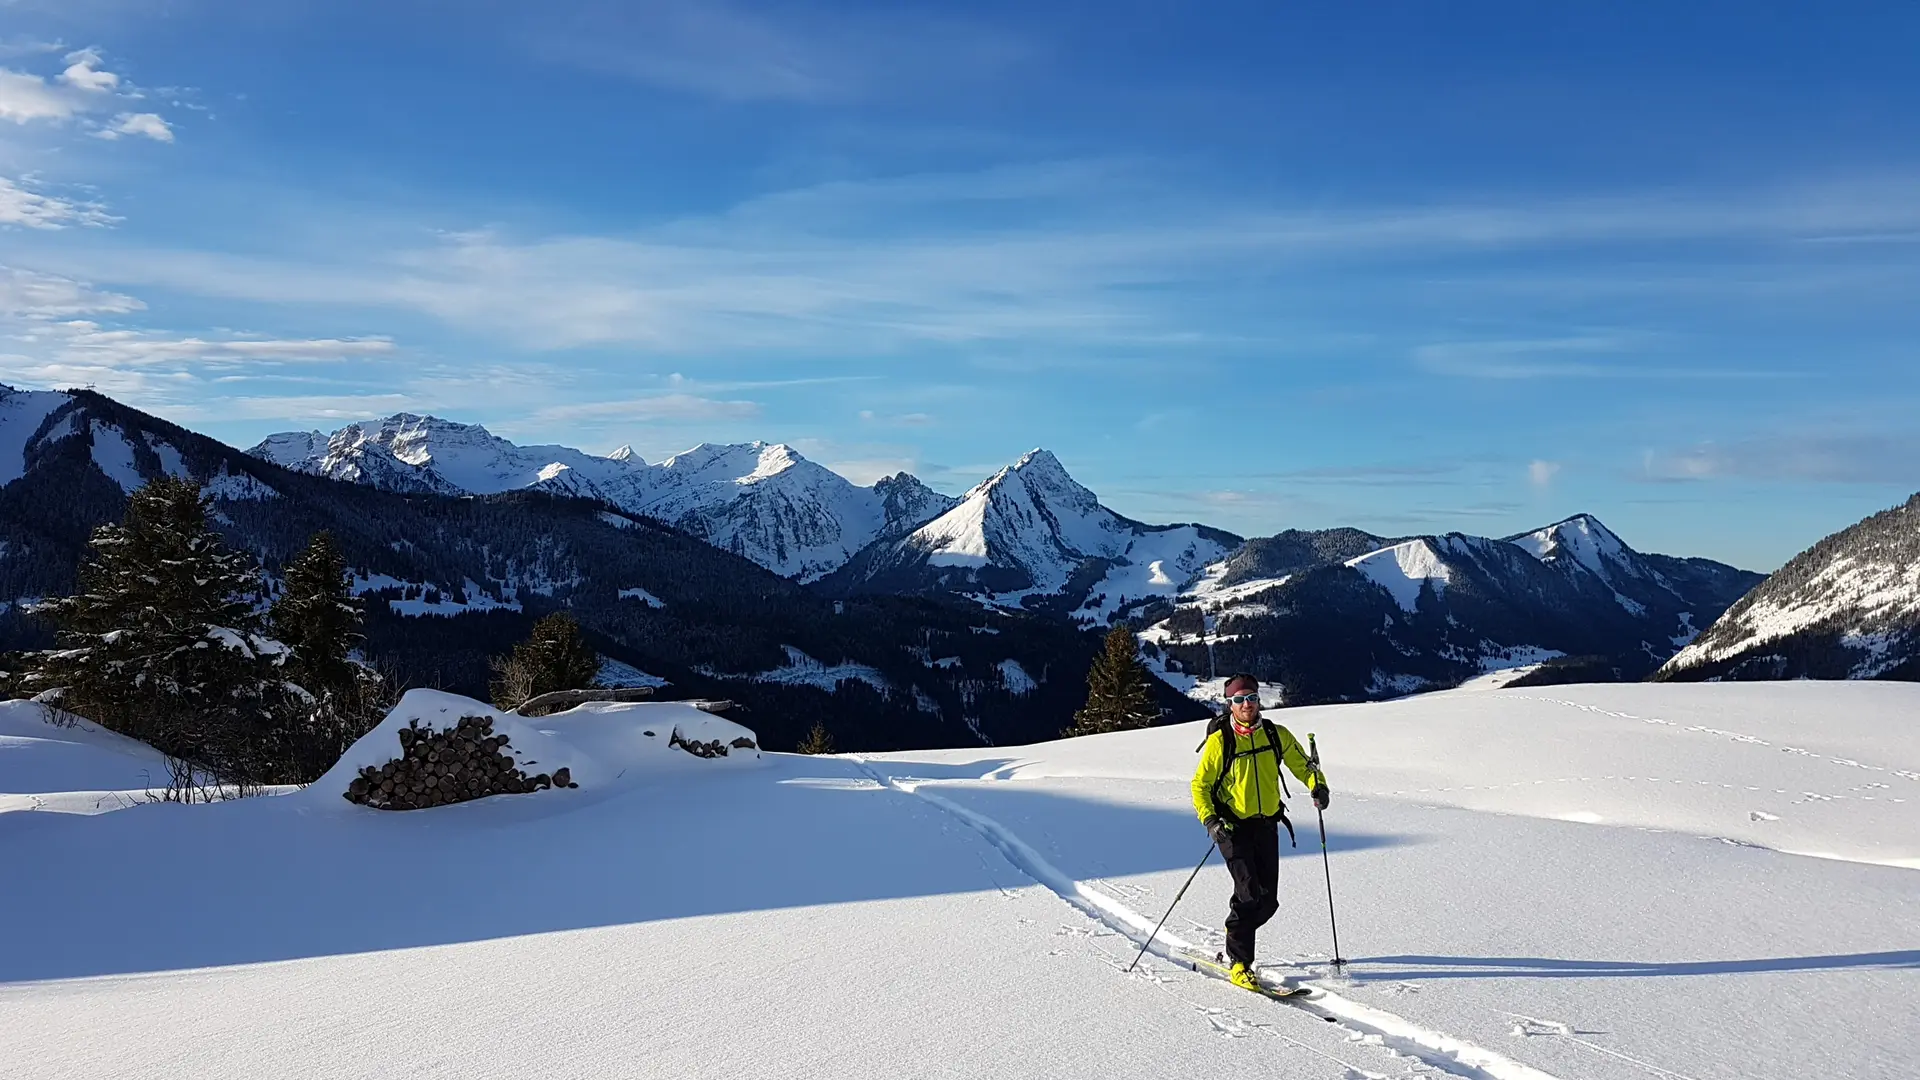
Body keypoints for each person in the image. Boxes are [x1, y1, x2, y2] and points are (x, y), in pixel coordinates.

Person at [1190, 672, 1329, 990]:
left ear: (1258, 700)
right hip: (1231, 827)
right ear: (1229, 705)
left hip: (1267, 825)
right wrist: (1210, 821)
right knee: (1249, 892)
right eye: (1238, 700)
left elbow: (1303, 765)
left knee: (1268, 902)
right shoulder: (1220, 741)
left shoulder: (1275, 734)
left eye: (1251, 697)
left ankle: (1235, 933)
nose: (1246, 704)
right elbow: (1200, 785)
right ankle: (1240, 962)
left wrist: (1318, 786)